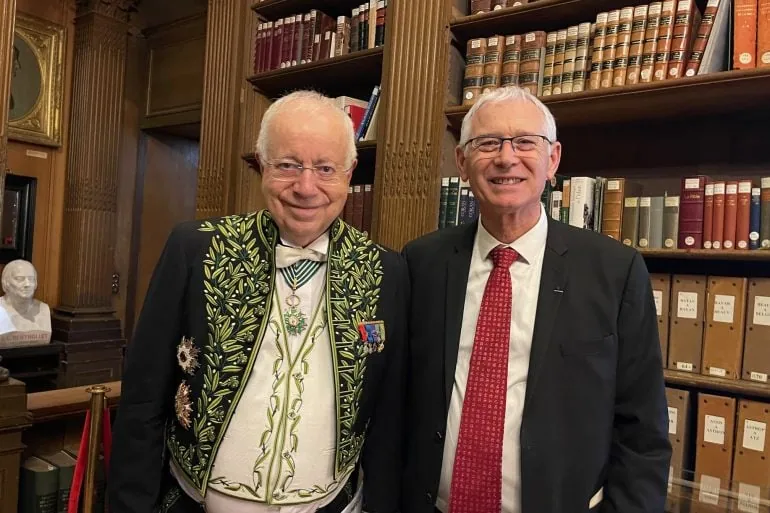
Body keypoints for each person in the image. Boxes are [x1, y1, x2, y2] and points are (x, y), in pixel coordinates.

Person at [108, 90, 408, 513]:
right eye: (288, 165)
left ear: (349, 173)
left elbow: (388, 417)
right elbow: (143, 399)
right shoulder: (195, 249)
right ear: (262, 166)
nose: (306, 187)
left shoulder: (386, 270)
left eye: (325, 168)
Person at [400, 86, 671, 513]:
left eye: (525, 142)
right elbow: (399, 398)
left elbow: (643, 428)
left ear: (553, 159)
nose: (506, 158)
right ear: (462, 162)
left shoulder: (615, 271)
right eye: (488, 143)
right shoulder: (422, 262)